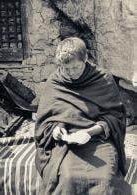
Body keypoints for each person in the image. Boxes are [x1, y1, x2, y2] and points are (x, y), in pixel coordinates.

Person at [34, 37, 131, 195]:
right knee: (68, 178)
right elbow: (45, 121)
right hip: (67, 145)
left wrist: (90, 131)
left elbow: (116, 118)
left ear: (85, 59)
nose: (71, 73)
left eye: (76, 68)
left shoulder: (103, 79)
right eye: (66, 69)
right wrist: (56, 131)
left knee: (105, 181)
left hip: (99, 140)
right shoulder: (55, 82)